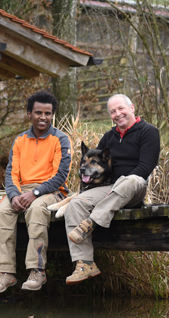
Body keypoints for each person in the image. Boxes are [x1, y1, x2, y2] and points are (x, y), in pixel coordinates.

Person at [64, 94, 160, 285]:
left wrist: (118, 186)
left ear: (131, 108)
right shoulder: (109, 136)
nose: (117, 114)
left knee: (132, 179)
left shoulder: (149, 132)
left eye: (121, 109)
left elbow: (146, 167)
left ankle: (91, 223)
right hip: (109, 188)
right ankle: (85, 264)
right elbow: (98, 165)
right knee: (75, 204)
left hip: (134, 189)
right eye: (113, 111)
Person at [0, 90, 72, 294]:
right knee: (1, 213)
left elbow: (60, 176)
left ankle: (37, 270)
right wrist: (14, 196)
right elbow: (11, 173)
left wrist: (34, 193)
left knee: (36, 211)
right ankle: (6, 273)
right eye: (38, 113)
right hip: (21, 190)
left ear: (52, 115)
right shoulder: (19, 140)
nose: (43, 117)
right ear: (29, 114)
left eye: (48, 113)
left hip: (52, 191)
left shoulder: (61, 139)